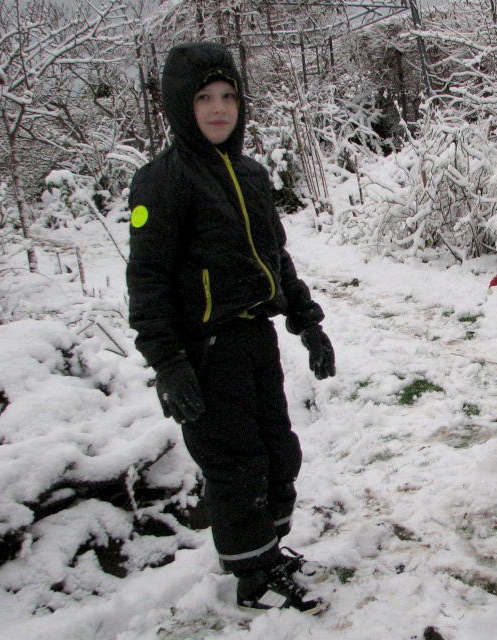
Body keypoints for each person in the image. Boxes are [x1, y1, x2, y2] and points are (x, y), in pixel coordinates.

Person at [126, 42, 337, 612]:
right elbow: (147, 283)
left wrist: (306, 321)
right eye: (203, 98)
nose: (219, 109)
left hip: (255, 340)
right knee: (234, 464)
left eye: (228, 96)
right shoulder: (161, 182)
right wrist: (169, 363)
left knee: (276, 450)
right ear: (179, 106)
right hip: (205, 351)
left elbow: (275, 257)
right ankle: (251, 578)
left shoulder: (250, 173)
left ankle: (267, 553)